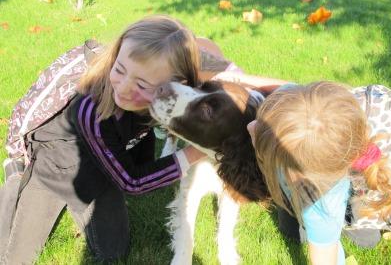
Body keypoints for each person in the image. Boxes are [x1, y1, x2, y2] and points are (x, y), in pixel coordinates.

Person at [0, 15, 286, 264]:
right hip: (54, 170)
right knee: (14, 258)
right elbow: (132, 182)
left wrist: (286, 90)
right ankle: (16, 180)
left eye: (143, 84)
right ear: (115, 56)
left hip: (103, 169)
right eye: (120, 70)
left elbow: (226, 72)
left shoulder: (169, 84)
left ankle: (82, 203)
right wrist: (196, 154)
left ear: (175, 82)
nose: (124, 90)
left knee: (113, 253)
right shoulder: (90, 108)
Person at [247, 81, 391, 265]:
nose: (250, 126)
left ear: (300, 177)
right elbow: (282, 87)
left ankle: (352, 224)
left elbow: (327, 259)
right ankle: (363, 229)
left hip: (346, 196)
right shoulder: (308, 105)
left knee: (292, 231)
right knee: (366, 240)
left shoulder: (320, 208)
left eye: (262, 131)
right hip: (366, 184)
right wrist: (235, 76)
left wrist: (325, 236)